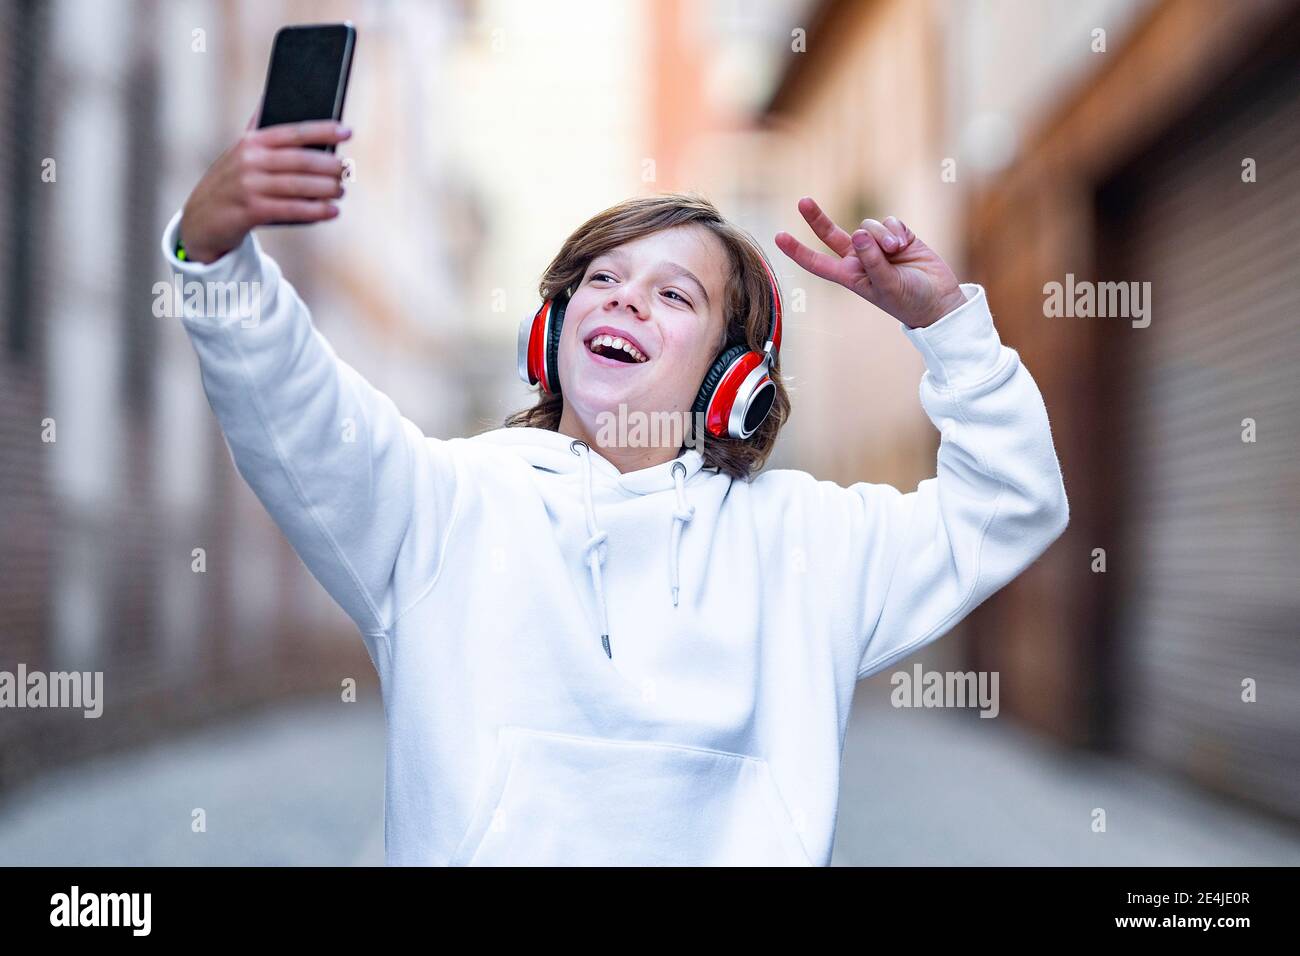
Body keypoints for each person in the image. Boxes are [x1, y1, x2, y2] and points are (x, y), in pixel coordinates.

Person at [164, 118, 1069, 866]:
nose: (625, 301)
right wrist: (212, 258)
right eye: (601, 280)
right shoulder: (441, 504)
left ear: (735, 375)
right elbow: (293, 408)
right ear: (550, 330)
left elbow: (1012, 504)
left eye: (674, 296)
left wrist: (949, 328)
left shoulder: (808, 539)